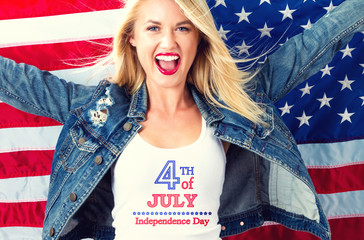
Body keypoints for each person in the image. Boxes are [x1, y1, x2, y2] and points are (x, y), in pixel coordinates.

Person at [0, 0, 363, 239]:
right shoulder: (100, 111)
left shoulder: (235, 105)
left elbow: (314, 45)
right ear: (132, 40)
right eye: (153, 28)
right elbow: (21, 84)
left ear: (199, 40)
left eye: (183, 28)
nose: (168, 41)